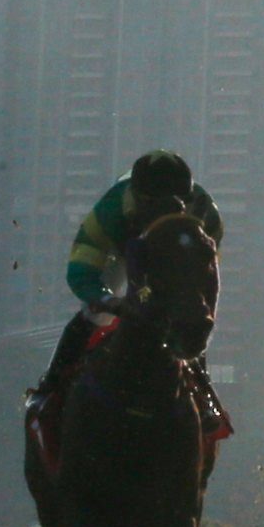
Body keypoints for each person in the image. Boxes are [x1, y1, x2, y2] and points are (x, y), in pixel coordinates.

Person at [34, 149, 223, 406]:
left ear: (188, 198)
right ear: (138, 199)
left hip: (177, 256)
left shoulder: (206, 214)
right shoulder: (110, 212)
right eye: (157, 204)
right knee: (97, 315)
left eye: (178, 203)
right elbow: (81, 272)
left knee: (188, 314)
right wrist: (108, 300)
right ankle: (50, 388)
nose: (169, 209)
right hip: (121, 254)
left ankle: (203, 393)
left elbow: (206, 279)